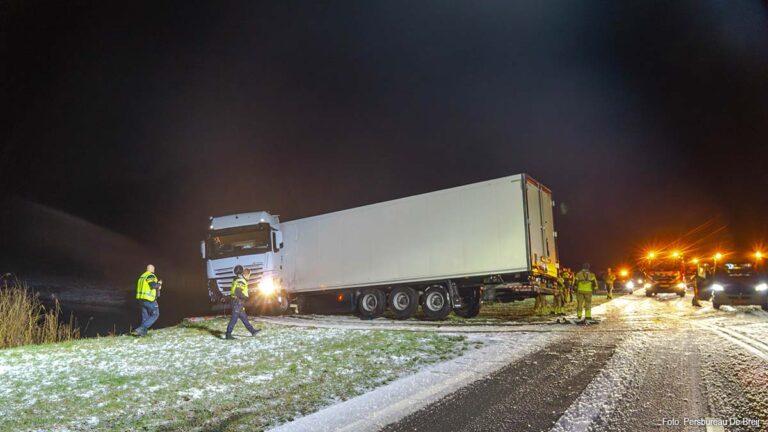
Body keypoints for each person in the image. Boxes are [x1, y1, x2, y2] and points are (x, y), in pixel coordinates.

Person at [225, 265, 260, 340]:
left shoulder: (238, 279)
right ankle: (228, 334)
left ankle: (253, 331)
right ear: (246, 275)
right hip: (238, 302)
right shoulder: (241, 281)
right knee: (234, 319)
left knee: (244, 318)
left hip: (239, 302)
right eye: (249, 275)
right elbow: (238, 292)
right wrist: (246, 297)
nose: (249, 277)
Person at [135, 264, 162, 336]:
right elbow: (153, 285)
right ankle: (142, 328)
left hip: (141, 299)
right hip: (149, 299)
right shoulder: (150, 275)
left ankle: (142, 334)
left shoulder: (142, 276)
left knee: (145, 317)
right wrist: (159, 284)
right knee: (155, 314)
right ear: (152, 269)